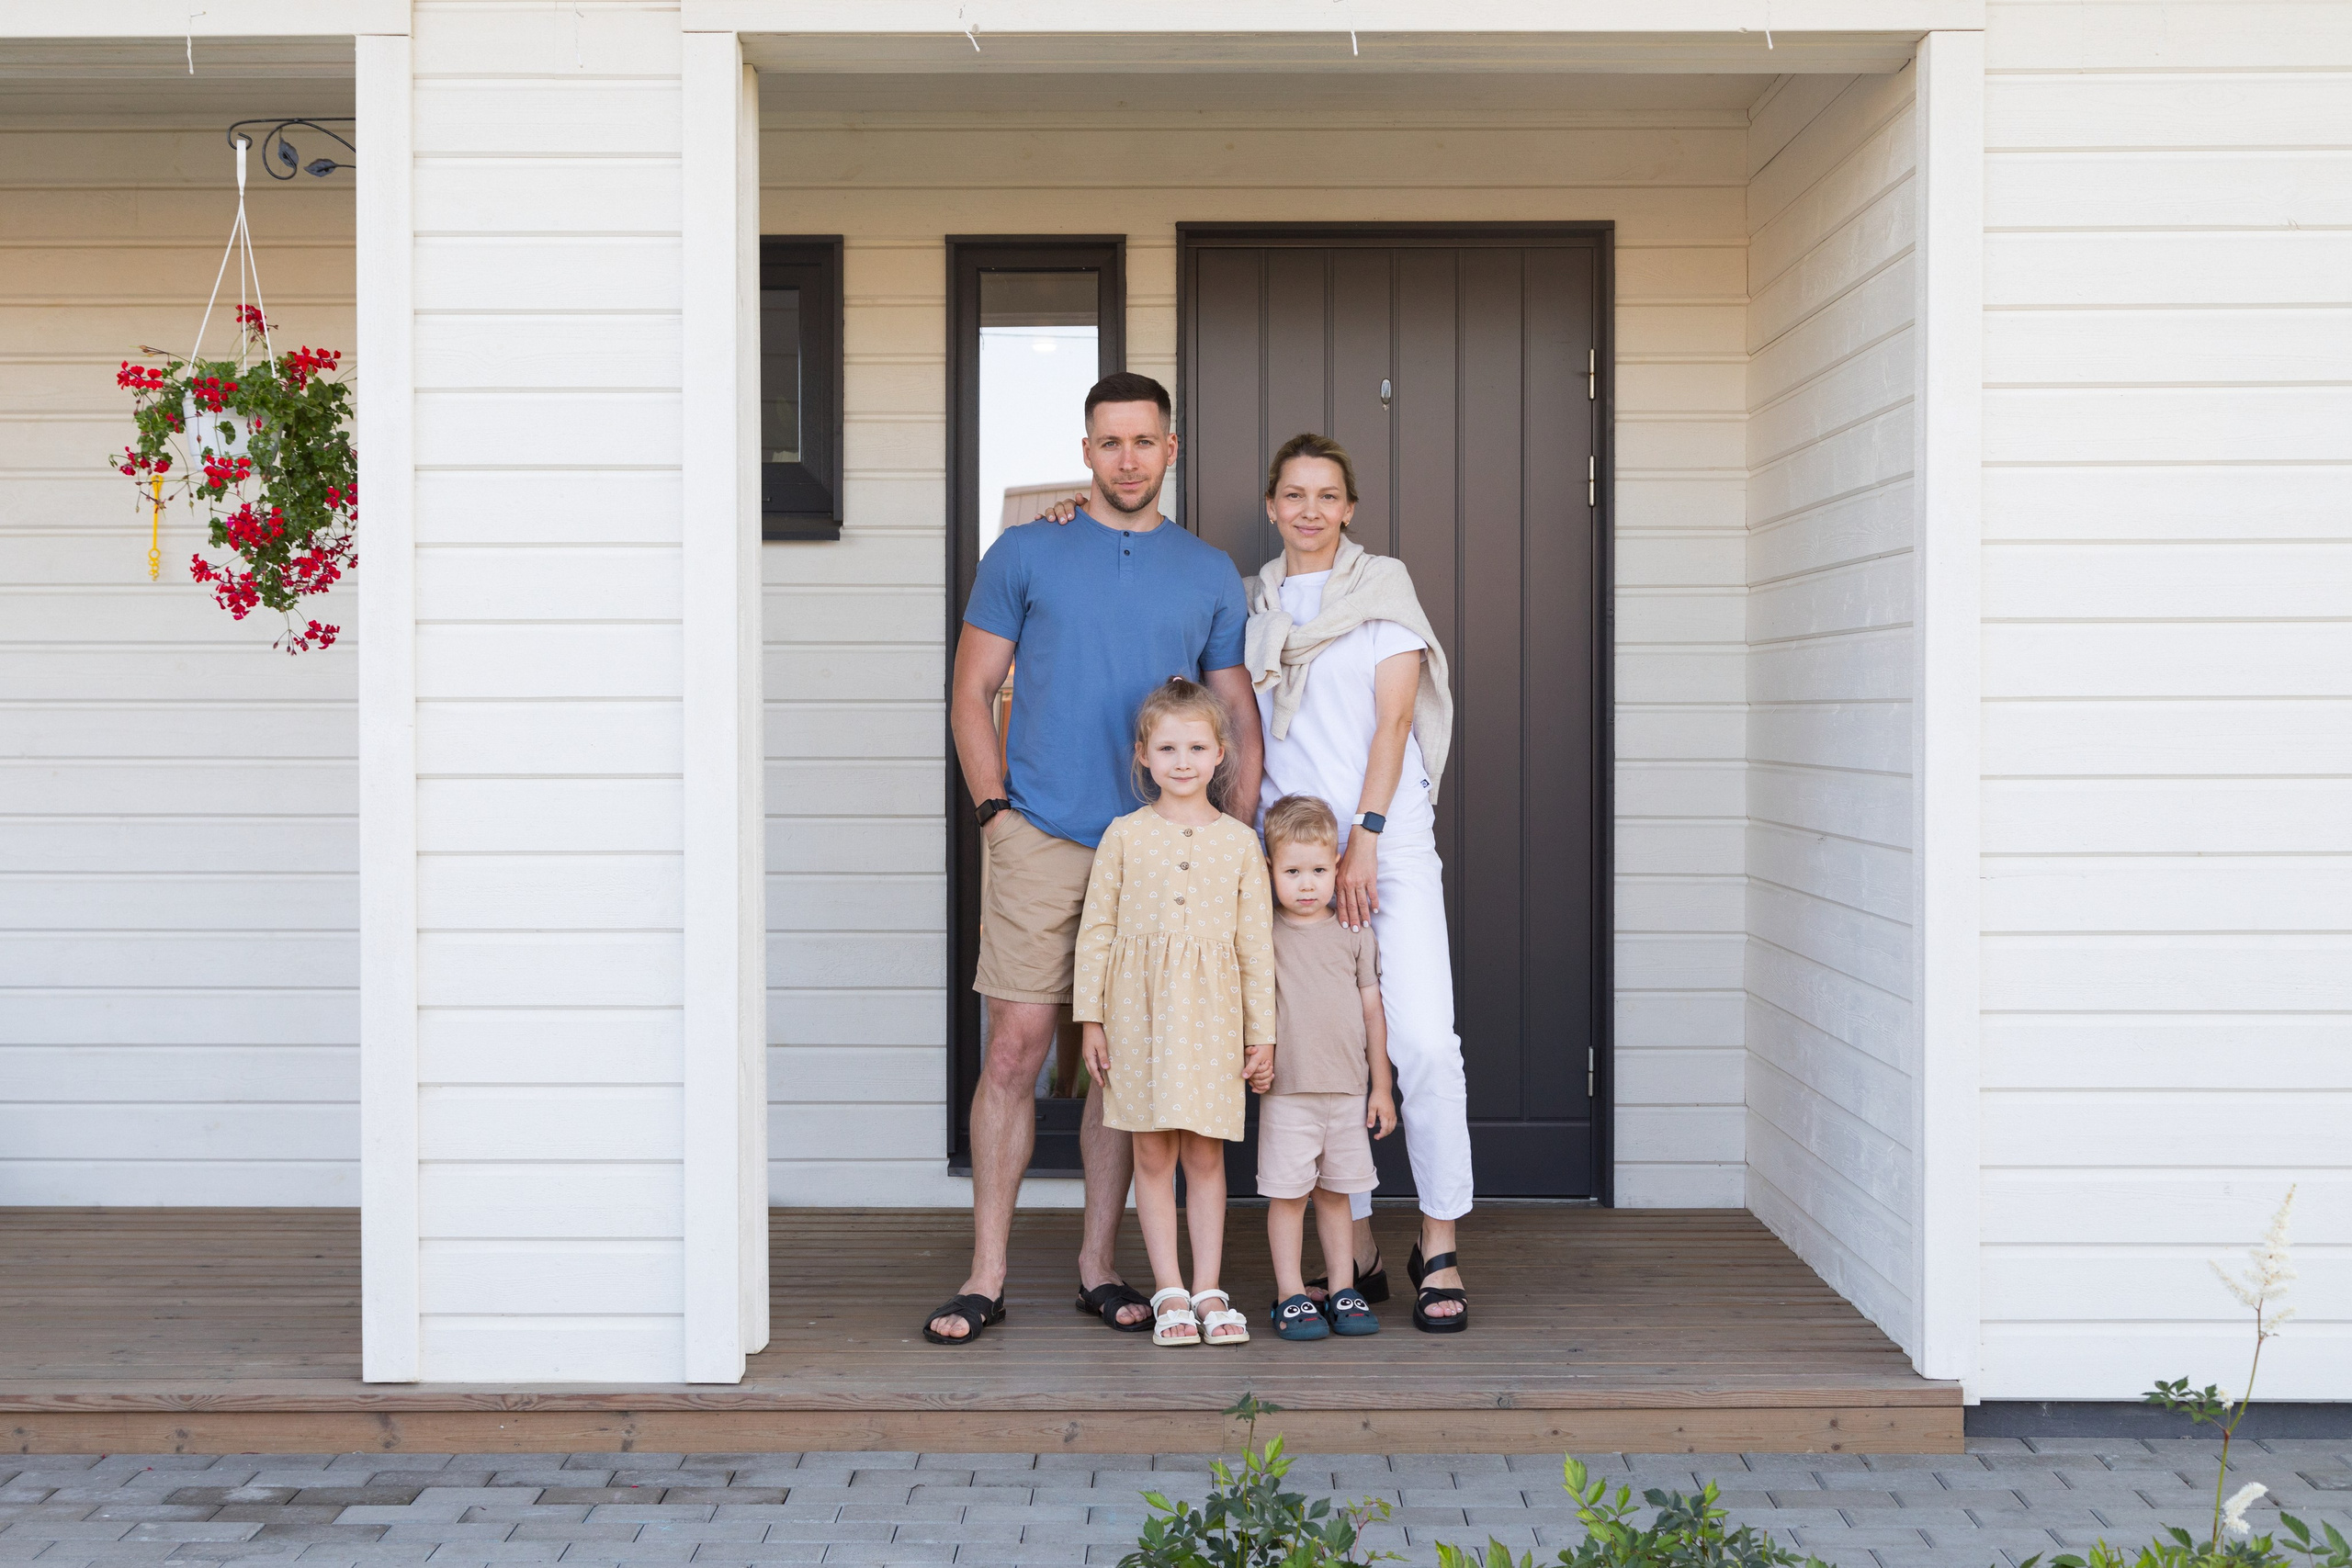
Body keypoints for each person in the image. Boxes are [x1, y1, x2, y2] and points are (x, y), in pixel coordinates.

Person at [927, 373, 1263, 1346]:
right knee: (1015, 1050)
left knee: (1127, 1068)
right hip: (1041, 836)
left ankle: (1099, 1267)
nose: (1126, 460)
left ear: (1170, 449)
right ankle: (985, 1274)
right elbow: (972, 689)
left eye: (1143, 442)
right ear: (1085, 451)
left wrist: (1233, 828)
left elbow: (1234, 706)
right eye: (1108, 443)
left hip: (1159, 853)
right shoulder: (1027, 550)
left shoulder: (1206, 570)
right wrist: (996, 814)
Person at [1245, 433, 1471, 1334]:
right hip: (1294, 860)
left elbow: (1391, 726)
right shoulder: (1253, 604)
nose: (1308, 509)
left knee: (1418, 1043)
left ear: (1348, 508)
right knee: (1319, 1050)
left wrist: (1365, 839)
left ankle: (1440, 1244)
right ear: (1272, 506)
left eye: (1326, 495)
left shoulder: (1384, 594)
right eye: (1293, 494)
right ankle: (1362, 1251)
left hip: (1386, 847)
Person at [1073, 679, 1276, 1347]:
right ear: (1143, 754)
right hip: (1140, 1017)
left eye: (1195, 746)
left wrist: (1261, 1035)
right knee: (1153, 1152)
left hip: (1215, 1019)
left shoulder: (1242, 843)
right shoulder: (1124, 836)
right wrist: (1091, 1020)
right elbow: (1096, 931)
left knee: (1206, 1155)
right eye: (1167, 746)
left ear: (1220, 753)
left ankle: (1210, 1287)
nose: (1182, 760)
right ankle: (1170, 1293)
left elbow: (1255, 948)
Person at [1257, 794, 1395, 1343]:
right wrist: (1254, 1053)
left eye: (1318, 870)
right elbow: (1254, 1002)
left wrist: (1380, 1086)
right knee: (1289, 1197)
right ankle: (1291, 1294)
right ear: (1270, 870)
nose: (1307, 884)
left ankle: (1343, 1289)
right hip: (1289, 1092)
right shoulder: (1264, 933)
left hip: (1346, 1092)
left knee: (1338, 1195)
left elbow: (1372, 1011)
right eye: (1292, 871)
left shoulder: (1355, 933)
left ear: (1338, 866)